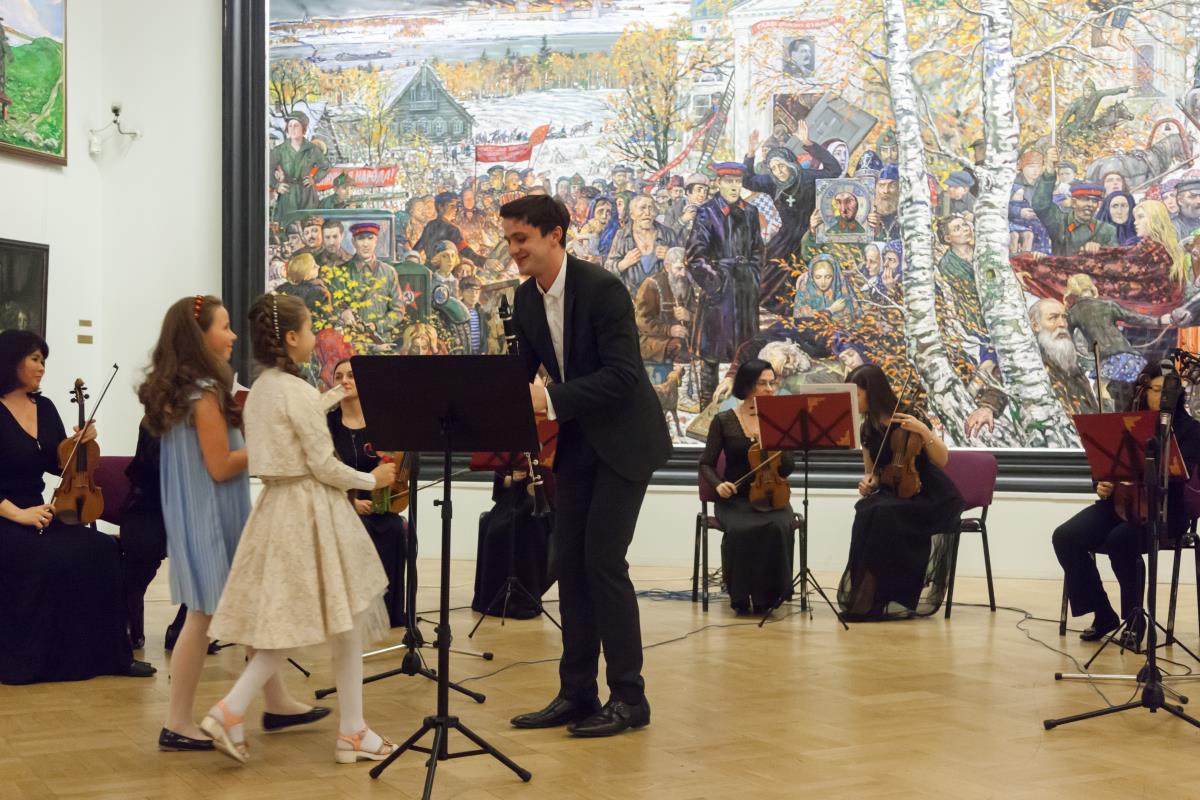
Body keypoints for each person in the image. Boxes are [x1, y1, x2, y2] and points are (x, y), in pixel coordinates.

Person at [501, 195, 671, 738]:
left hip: (626, 441)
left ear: (555, 235)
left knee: (602, 562)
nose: (513, 250)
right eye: (509, 240)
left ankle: (630, 698)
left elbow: (624, 376)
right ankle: (577, 693)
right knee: (569, 563)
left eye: (521, 239)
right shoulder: (525, 300)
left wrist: (549, 400)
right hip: (579, 443)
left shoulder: (602, 289)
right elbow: (519, 375)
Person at [203, 293, 398, 765]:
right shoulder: (297, 392)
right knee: (303, 619)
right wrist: (371, 479)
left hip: (277, 508)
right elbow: (323, 465)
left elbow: (293, 423)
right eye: (310, 329)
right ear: (291, 338)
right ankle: (230, 709)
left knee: (338, 619)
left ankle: (352, 730)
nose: (314, 337)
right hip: (311, 511)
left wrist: (333, 395)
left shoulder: (262, 389)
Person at [139, 295, 318, 752]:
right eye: (224, 326)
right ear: (200, 337)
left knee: (250, 608)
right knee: (202, 616)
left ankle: (276, 702)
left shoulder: (194, 389)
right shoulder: (202, 393)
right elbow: (220, 466)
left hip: (210, 512)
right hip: (210, 518)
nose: (234, 335)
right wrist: (272, 445)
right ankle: (177, 721)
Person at [0, 329, 154, 685]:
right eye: (35, 359)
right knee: (46, 557)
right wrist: (18, 514)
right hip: (7, 515)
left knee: (101, 549)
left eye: (44, 360)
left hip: (38, 512)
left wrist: (79, 445)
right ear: (11, 360)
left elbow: (60, 466)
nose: (42, 367)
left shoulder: (45, 408)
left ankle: (112, 655)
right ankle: (37, 659)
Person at [1053, 362, 1200, 650]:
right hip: (1121, 503)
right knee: (1066, 536)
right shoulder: (1127, 424)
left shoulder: (1191, 431)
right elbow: (1104, 463)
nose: (1161, 397)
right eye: (1154, 390)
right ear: (1142, 391)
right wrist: (1102, 484)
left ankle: (1134, 619)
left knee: (1121, 539)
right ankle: (1103, 613)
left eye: (1166, 391)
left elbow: (1185, 478)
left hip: (1166, 510)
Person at [839, 365, 963, 620]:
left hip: (929, 493)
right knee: (865, 508)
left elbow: (942, 459)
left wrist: (924, 431)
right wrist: (868, 483)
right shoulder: (867, 428)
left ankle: (895, 597)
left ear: (872, 392)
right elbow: (871, 473)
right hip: (892, 491)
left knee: (884, 513)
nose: (852, 401)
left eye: (856, 395)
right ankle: (868, 595)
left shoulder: (910, 416)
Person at [698, 359, 795, 613]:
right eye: (763, 383)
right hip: (736, 500)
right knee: (742, 530)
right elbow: (706, 463)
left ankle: (769, 597)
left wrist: (777, 441)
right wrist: (718, 485)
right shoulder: (724, 420)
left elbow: (787, 468)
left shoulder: (778, 419)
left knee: (778, 526)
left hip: (772, 495)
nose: (770, 389)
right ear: (747, 385)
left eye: (772, 383)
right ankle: (740, 595)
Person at [327, 358, 412, 628]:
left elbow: (402, 466)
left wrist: (395, 473)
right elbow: (324, 473)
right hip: (340, 507)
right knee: (359, 528)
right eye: (339, 376)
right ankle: (354, 615)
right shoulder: (326, 424)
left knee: (396, 529)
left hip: (379, 507)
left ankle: (391, 612)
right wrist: (350, 502)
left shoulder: (382, 421)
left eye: (351, 375)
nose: (344, 381)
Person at [743, 120, 842, 313]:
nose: (778, 171)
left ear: (790, 163)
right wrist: (750, 154)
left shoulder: (807, 177)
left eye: (781, 166)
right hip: (785, 236)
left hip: (809, 233)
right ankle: (773, 305)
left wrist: (808, 144)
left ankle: (801, 308)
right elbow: (747, 180)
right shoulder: (772, 182)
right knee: (768, 265)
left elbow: (834, 170)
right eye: (773, 168)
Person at [687, 162, 764, 404]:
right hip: (719, 294)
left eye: (737, 182)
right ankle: (706, 411)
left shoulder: (750, 212)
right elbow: (694, 257)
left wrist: (753, 279)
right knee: (710, 357)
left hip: (745, 293)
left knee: (746, 355)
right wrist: (716, 284)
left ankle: (743, 407)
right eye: (729, 181)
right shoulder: (706, 213)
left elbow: (758, 251)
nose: (734, 187)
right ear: (718, 183)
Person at [1032, 148, 1117, 256]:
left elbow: (1115, 259)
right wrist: (1050, 170)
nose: (1090, 205)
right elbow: (1040, 204)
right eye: (1085, 200)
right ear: (1073, 202)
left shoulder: (1107, 231)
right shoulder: (1058, 222)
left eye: (1094, 201)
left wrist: (1101, 250)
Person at [270, 111, 329, 221]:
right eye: (290, 126)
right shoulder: (279, 150)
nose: (293, 129)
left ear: (303, 129)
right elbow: (267, 169)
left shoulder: (312, 149)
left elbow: (325, 166)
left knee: (308, 223)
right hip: (288, 194)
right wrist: (276, 185)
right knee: (287, 225)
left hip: (307, 195)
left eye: (296, 125)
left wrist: (314, 179)